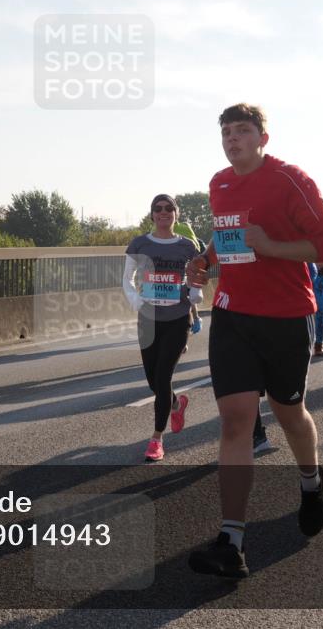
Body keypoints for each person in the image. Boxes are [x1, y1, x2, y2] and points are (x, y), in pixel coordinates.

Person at [186, 103, 323, 580]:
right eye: (227, 132)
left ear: (262, 138)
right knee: (236, 421)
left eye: (243, 131)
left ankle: (311, 481)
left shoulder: (289, 179)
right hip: (233, 314)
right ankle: (231, 541)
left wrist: (272, 247)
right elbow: (228, 234)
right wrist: (207, 260)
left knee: (289, 412)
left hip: (286, 317)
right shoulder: (219, 183)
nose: (232, 139)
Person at [124, 195, 203, 461]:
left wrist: (194, 292)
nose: (163, 212)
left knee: (162, 377)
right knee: (152, 380)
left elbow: (197, 274)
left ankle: (156, 439)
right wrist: (135, 299)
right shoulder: (140, 243)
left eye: (169, 208)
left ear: (176, 214)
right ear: (152, 214)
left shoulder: (187, 245)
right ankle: (176, 403)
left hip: (178, 318)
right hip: (148, 320)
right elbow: (127, 278)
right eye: (158, 208)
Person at [173, 219, 204, 351]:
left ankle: (194, 320)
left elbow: (195, 247)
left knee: (187, 299)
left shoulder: (185, 227)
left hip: (186, 267)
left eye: (170, 209)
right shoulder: (157, 227)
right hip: (170, 270)